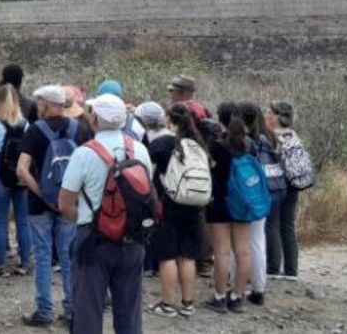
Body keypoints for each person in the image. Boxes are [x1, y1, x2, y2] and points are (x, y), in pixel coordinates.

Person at [59, 93, 152, 334]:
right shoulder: (140, 150)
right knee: (129, 314)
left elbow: (64, 204)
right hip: (133, 239)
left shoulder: (84, 153)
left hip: (93, 240)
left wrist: (86, 220)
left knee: (88, 312)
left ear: (95, 119)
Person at [17, 85, 90, 327]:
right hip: (70, 202)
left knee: (43, 255)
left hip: (40, 205)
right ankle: (72, 310)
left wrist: (42, 194)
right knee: (69, 255)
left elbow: (22, 169)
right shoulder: (79, 129)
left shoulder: (35, 131)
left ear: (47, 105)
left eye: (40, 103)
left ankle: (45, 310)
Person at [142, 103, 207, 317]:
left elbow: (147, 178)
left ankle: (167, 303)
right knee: (188, 255)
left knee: (167, 255)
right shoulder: (197, 144)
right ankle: (188, 303)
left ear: (168, 119)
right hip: (194, 204)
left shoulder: (160, 144)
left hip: (167, 204)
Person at [205, 102, 255, 314]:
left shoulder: (216, 146)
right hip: (243, 201)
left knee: (222, 251)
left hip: (220, 201)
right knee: (243, 250)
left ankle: (219, 297)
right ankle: (237, 296)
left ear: (220, 118)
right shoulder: (248, 144)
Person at [0, 84, 32, 276]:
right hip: (20, 175)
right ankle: (24, 262)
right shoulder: (25, 123)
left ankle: (1, 263)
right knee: (23, 220)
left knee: (0, 220)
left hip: (0, 175)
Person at [242, 102, 283, 306]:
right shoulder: (270, 137)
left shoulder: (246, 141)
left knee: (240, 242)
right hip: (267, 192)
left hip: (249, 194)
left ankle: (238, 283)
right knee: (258, 240)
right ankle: (259, 287)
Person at [266, 101, 302, 282]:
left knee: (272, 223)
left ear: (277, 117)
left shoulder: (271, 137)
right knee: (287, 225)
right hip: (293, 183)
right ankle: (291, 270)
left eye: (269, 113)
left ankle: (273, 267)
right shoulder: (293, 135)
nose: (266, 116)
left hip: (276, 183)